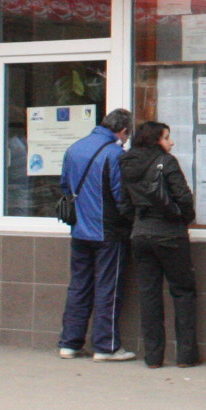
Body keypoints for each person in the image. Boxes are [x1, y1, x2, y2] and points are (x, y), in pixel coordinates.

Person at [119, 120, 200, 369]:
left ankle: (153, 358)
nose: (171, 142)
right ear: (155, 140)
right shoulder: (167, 162)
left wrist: (139, 223)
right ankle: (186, 356)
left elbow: (123, 203)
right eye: (166, 137)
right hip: (170, 235)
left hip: (141, 235)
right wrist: (184, 219)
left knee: (149, 295)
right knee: (183, 292)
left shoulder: (127, 163)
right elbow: (183, 197)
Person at [58, 108, 134, 362]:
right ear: (123, 131)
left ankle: (69, 343)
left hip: (79, 230)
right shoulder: (114, 154)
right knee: (107, 288)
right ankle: (105, 346)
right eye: (127, 135)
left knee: (79, 286)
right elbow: (121, 196)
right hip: (107, 232)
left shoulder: (74, 148)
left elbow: (65, 186)